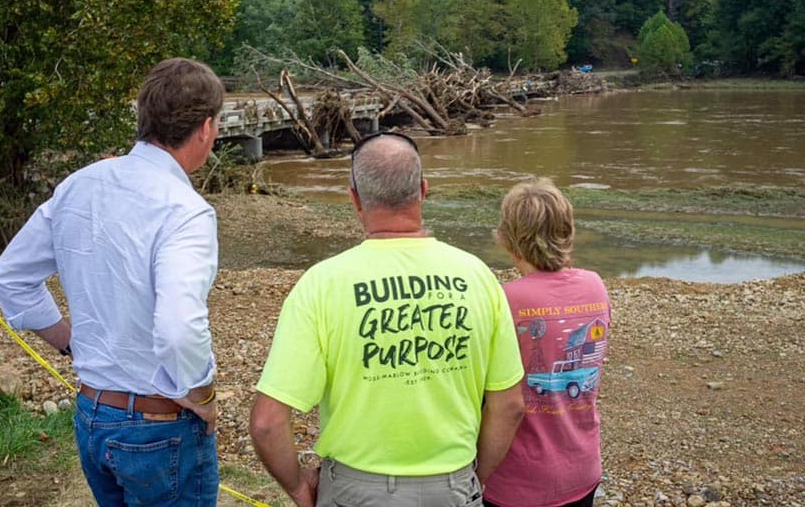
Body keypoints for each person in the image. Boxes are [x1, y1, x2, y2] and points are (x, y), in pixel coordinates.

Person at [0, 57, 225, 506]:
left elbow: (11, 277)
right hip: (161, 425)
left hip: (93, 413)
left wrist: (70, 343)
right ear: (206, 128)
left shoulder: (80, 184)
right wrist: (203, 393)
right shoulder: (186, 210)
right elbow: (180, 326)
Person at [249, 131, 526, 507]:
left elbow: (267, 423)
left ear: (354, 198)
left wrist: (300, 488)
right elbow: (509, 406)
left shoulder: (322, 283)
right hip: (452, 485)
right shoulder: (478, 277)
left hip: (353, 491)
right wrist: (473, 479)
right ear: (424, 191)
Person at [482, 178, 611, 507]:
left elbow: (503, 403)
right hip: (582, 469)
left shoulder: (505, 300)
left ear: (508, 238)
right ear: (568, 230)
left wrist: (477, 474)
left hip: (518, 481)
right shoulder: (595, 287)